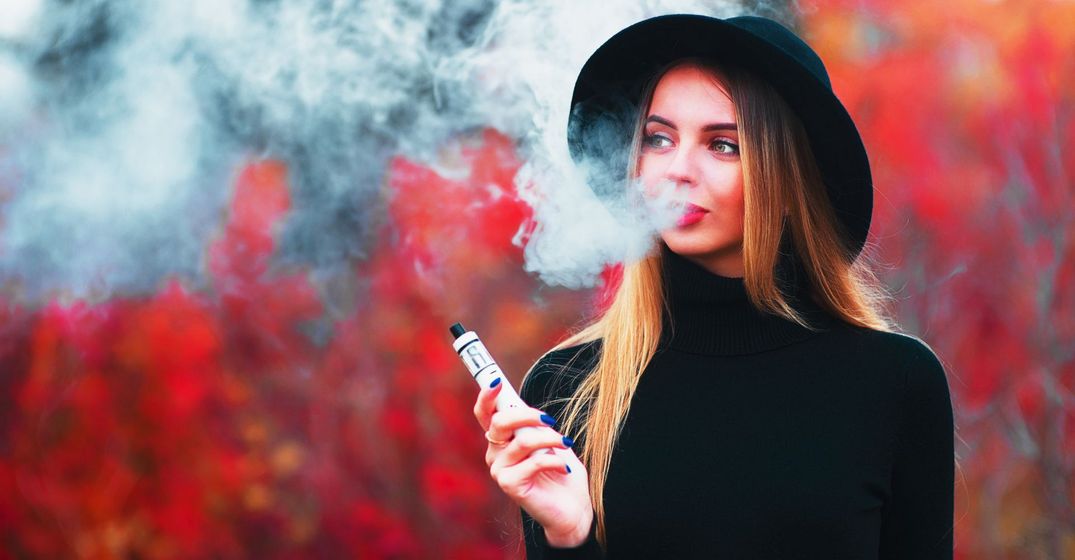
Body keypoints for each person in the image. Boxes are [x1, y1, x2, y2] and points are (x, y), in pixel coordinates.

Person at [471, 14, 955, 559]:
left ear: (789, 178)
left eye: (722, 145)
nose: (677, 169)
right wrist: (569, 538)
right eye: (659, 139)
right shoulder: (571, 387)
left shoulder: (895, 384)